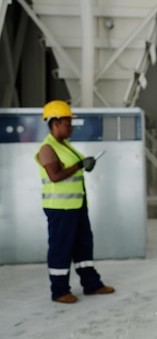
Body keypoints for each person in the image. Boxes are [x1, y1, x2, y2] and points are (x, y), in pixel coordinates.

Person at [35, 100, 115, 304]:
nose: (71, 126)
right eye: (67, 122)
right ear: (55, 123)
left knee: (83, 245)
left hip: (77, 206)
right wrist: (80, 164)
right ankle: (59, 290)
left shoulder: (65, 146)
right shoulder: (48, 148)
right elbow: (54, 175)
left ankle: (91, 284)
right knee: (61, 248)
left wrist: (85, 164)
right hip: (60, 209)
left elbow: (73, 170)